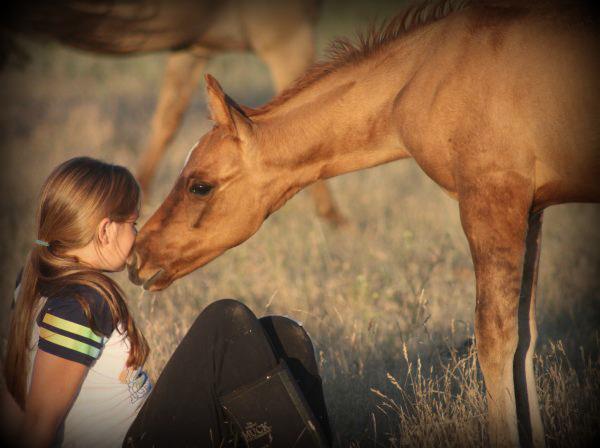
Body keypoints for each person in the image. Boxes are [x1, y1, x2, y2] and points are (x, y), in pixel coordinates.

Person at [1, 157, 331, 447]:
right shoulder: (80, 303)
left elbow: (17, 397)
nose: (137, 233)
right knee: (224, 322)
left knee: (281, 335)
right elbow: (39, 425)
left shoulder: (35, 283)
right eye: (132, 223)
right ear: (105, 231)